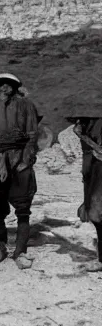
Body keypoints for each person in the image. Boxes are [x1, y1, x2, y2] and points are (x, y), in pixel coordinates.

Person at [0, 73, 39, 269]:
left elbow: (32, 134)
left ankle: (20, 252)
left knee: (23, 208)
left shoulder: (25, 105)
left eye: (9, 84)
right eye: (1, 84)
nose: (5, 87)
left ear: (15, 86)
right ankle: (0, 247)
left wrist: (26, 160)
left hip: (19, 159)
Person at [66, 108, 102, 271]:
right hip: (92, 168)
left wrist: (82, 135)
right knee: (96, 214)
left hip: (98, 169)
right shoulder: (87, 121)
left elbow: (100, 151)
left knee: (97, 213)